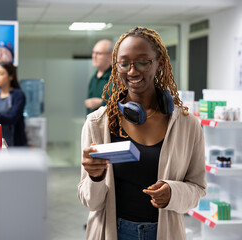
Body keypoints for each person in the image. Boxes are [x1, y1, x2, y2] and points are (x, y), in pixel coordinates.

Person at [78, 27, 206, 240]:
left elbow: (197, 190)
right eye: (124, 63)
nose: (132, 71)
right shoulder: (97, 123)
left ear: (160, 63)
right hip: (112, 232)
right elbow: (91, 202)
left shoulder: (187, 125)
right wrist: (95, 177)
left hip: (164, 233)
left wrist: (172, 193)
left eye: (142, 62)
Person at [85, 39, 113, 115]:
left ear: (110, 56)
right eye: (93, 53)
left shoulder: (115, 78)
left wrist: (101, 103)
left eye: (99, 53)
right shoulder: (93, 79)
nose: (94, 56)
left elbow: (120, 103)